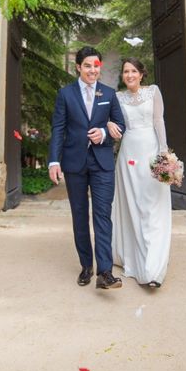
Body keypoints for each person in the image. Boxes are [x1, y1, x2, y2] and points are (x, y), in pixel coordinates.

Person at [48, 46, 126, 289]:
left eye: (96, 66)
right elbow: (58, 129)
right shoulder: (65, 94)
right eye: (88, 66)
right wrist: (54, 160)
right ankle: (86, 266)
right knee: (80, 216)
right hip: (74, 163)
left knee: (102, 215)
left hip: (102, 163)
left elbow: (120, 125)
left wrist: (103, 132)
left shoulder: (109, 94)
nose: (93, 70)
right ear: (78, 67)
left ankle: (105, 272)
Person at [107, 58, 172, 288]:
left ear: (141, 74)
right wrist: (108, 126)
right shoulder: (118, 97)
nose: (130, 75)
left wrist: (164, 153)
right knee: (133, 205)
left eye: (133, 71)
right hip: (128, 154)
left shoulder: (153, 92)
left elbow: (158, 120)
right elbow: (115, 124)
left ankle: (153, 269)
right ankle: (135, 257)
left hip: (151, 152)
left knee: (151, 206)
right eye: (126, 71)